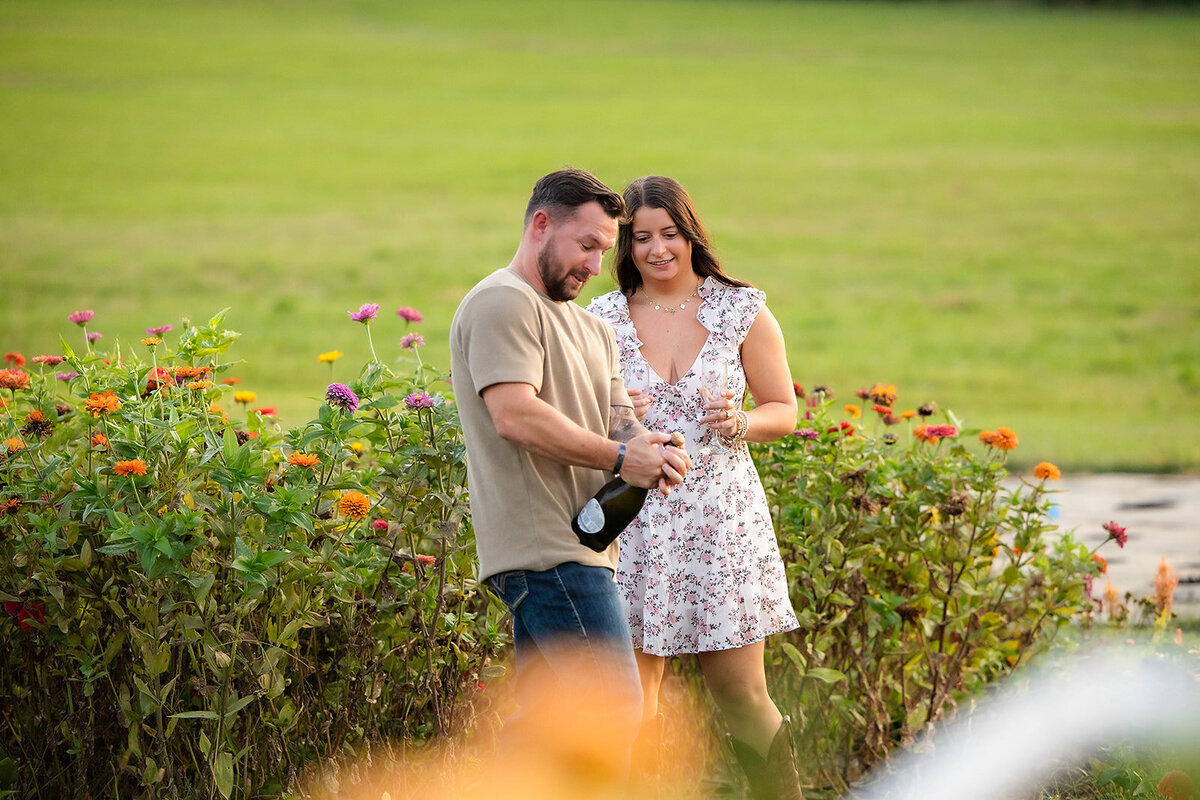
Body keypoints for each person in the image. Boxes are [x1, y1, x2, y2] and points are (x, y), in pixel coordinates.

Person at [449, 168, 691, 776]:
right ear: (540, 225)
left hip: (583, 546)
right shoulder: (501, 301)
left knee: (543, 726)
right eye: (585, 246)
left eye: (603, 251)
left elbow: (619, 423)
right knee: (610, 709)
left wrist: (653, 449)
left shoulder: (591, 327)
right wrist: (619, 458)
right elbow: (514, 415)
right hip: (543, 548)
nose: (593, 264)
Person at [585, 175, 803, 800]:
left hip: (722, 521)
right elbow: (576, 419)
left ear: (691, 235)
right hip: (636, 523)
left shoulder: (741, 309)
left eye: (670, 234)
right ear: (625, 245)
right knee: (633, 700)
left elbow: (784, 409)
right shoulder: (600, 321)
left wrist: (741, 422)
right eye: (641, 237)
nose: (657, 249)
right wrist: (618, 416)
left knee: (741, 692)